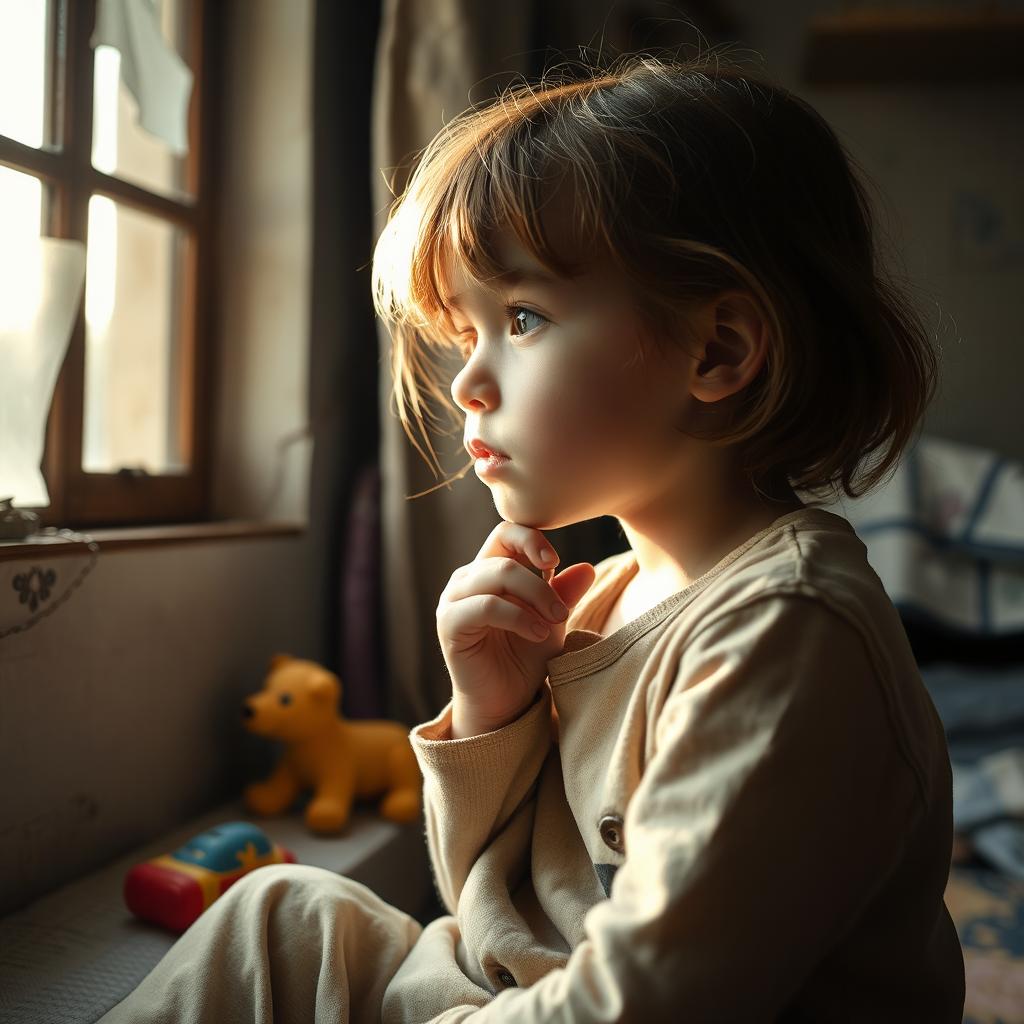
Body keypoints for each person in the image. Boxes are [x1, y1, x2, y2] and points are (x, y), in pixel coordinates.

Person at [99, 49, 966, 1022]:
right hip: (515, 999)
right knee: (280, 914)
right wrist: (491, 713)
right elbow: (493, 923)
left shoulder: (786, 631)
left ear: (717, 349)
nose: (467, 381)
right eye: (463, 333)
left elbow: (637, 1003)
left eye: (521, 316)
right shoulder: (598, 598)